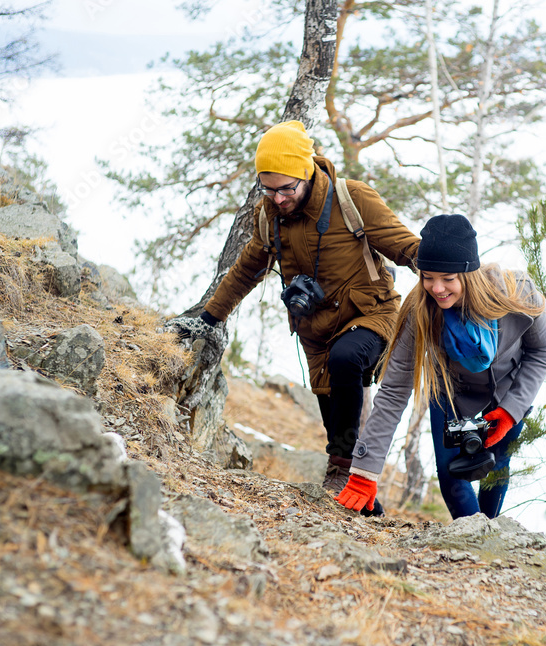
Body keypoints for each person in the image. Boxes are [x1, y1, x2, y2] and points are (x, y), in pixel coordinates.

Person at [178, 121, 420, 504]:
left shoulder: (351, 199)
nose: (277, 198)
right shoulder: (268, 216)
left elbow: (406, 246)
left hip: (370, 312)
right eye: (268, 188)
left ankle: (341, 471)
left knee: (348, 359)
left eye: (286, 188)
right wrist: (209, 318)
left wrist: (445, 274)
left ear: (306, 171)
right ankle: (363, 504)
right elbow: (245, 271)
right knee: (334, 414)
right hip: (315, 329)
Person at [334, 214, 546, 520]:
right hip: (450, 389)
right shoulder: (419, 309)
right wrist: (364, 472)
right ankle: (473, 537)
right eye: (427, 276)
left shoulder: (517, 291)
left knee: (498, 463)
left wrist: (511, 409)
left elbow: (544, 348)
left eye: (448, 279)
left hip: (509, 388)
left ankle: (492, 535)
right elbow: (395, 390)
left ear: (469, 274)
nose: (436, 288)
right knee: (451, 472)